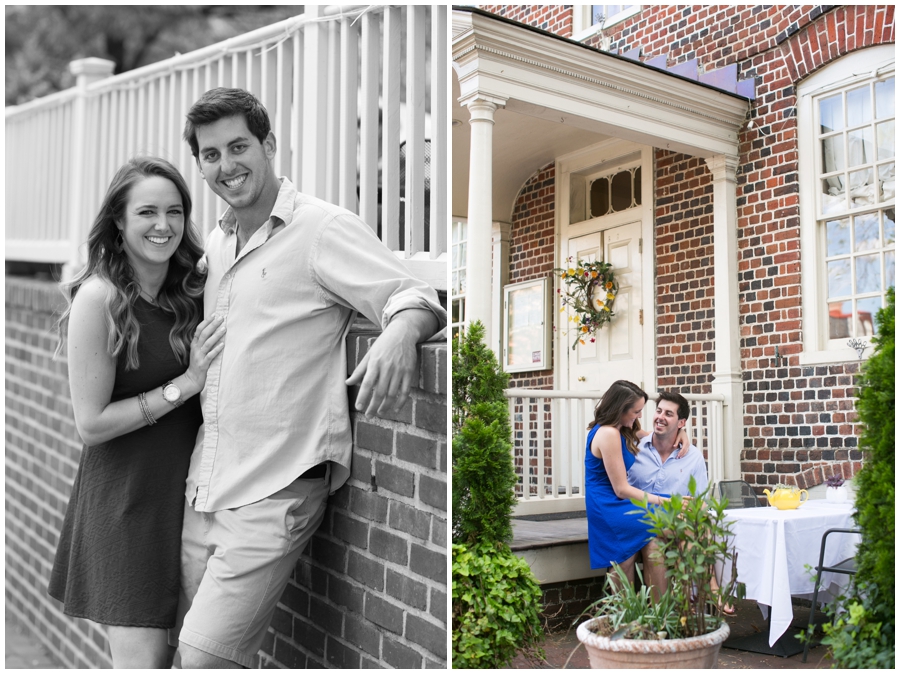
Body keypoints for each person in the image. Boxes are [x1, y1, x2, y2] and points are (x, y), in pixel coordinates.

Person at [172, 88, 446, 668]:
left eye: (239, 146)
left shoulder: (321, 229)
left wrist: (399, 334)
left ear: (269, 144)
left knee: (201, 661)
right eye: (211, 154)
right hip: (207, 485)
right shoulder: (219, 243)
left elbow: (413, 294)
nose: (226, 165)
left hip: (276, 489)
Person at [48, 157, 227, 668]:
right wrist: (185, 385)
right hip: (126, 509)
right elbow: (92, 423)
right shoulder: (99, 299)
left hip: (190, 508)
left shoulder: (194, 292)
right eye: (147, 211)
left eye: (175, 211)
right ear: (119, 222)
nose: (163, 225)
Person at [585, 380, 671, 596]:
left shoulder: (621, 427)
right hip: (609, 505)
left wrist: (681, 434)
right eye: (636, 411)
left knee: (655, 538)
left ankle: (654, 615)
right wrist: (663, 501)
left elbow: (653, 435)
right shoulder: (608, 433)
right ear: (620, 409)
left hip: (617, 501)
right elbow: (621, 489)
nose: (639, 416)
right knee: (673, 517)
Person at [628, 390, 708, 498]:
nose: (660, 417)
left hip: (675, 515)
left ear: (681, 423)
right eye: (658, 411)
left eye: (668, 414)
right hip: (634, 514)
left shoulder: (694, 458)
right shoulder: (633, 447)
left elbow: (700, 502)